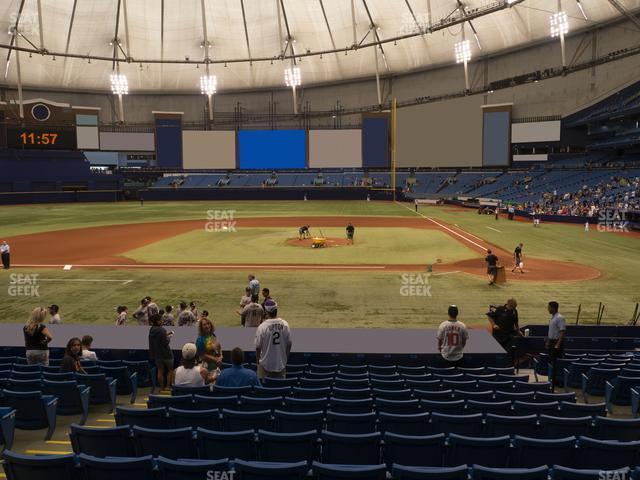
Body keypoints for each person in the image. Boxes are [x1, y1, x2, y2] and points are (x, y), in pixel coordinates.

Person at [255, 299, 292, 379]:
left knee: (263, 388)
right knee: (279, 388)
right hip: (280, 364)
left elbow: (258, 347)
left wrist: (258, 361)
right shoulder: (285, 324)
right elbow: (289, 344)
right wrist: (285, 358)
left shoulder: (262, 327)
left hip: (265, 365)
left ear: (266, 311)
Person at [148, 313, 174, 390]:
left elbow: (155, 340)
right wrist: (169, 337)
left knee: (160, 371)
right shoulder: (162, 330)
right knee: (170, 370)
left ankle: (162, 388)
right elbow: (165, 342)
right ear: (158, 321)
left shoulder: (151, 330)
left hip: (157, 355)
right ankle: (168, 387)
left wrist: (166, 334)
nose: (163, 321)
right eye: (162, 320)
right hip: (167, 354)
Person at [546, 301, 566, 392]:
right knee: (551, 361)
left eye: (549, 307)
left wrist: (557, 344)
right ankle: (553, 380)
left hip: (556, 343)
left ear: (553, 308)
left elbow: (562, 332)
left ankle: (557, 382)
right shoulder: (553, 318)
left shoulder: (560, 318)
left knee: (555, 362)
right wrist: (548, 341)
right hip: (551, 342)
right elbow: (552, 331)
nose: (548, 309)